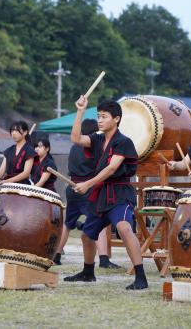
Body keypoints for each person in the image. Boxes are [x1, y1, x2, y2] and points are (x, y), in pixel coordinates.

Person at [64, 97, 148, 290]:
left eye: (104, 117)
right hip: (101, 195)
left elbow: (111, 169)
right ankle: (87, 272)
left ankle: (140, 277)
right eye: (98, 116)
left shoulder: (123, 142)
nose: (100, 120)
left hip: (119, 193)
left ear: (116, 119)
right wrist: (80, 111)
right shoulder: (97, 139)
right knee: (87, 235)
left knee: (125, 228)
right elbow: (75, 138)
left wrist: (87, 184)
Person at [54, 119, 120, 269]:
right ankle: (104, 259)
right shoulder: (93, 147)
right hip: (87, 188)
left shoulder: (74, 147)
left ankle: (56, 255)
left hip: (72, 189)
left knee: (68, 224)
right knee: (99, 222)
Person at [0, 121, 37, 185]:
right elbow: (1, 170)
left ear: (25, 132)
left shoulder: (29, 150)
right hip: (8, 184)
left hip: (22, 185)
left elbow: (26, 173)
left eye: (17, 131)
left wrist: (8, 181)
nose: (13, 133)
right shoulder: (9, 150)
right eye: (12, 131)